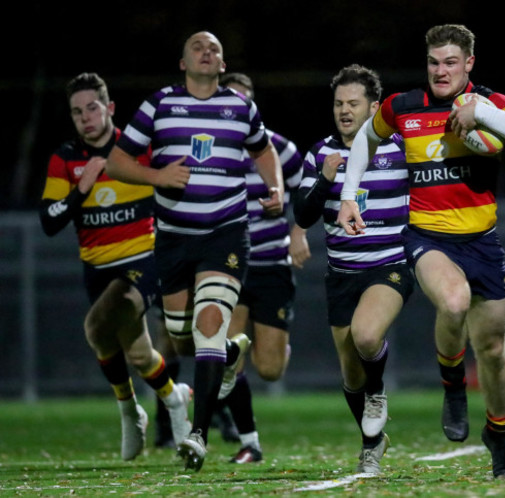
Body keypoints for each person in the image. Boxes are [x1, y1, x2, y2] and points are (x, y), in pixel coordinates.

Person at [337, 24, 505, 479]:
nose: (441, 70)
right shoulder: (403, 106)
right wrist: (349, 194)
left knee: (493, 349)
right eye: (434, 62)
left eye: (451, 62)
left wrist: (483, 116)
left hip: (482, 241)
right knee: (452, 301)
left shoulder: (491, 103)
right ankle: (453, 384)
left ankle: (499, 434)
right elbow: (364, 141)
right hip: (427, 237)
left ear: (468, 63)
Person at [105, 31, 284, 471]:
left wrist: (275, 186)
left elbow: (263, 152)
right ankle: (228, 355)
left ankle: (199, 435)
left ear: (222, 64)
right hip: (173, 239)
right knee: (183, 338)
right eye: (198, 48)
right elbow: (116, 161)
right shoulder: (159, 105)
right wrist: (157, 177)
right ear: (183, 62)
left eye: (215, 49)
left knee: (208, 326)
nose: (207, 52)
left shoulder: (240, 107)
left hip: (225, 234)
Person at [38, 72, 192, 461]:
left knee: (94, 325)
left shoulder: (135, 150)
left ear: (108, 108)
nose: (85, 117)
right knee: (139, 355)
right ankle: (173, 397)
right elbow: (49, 221)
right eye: (77, 112)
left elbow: (176, 183)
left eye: (92, 108)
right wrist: (81, 189)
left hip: (142, 261)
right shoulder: (66, 158)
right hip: (96, 269)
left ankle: (128, 413)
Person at [294, 64, 413, 475]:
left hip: (389, 266)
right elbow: (304, 215)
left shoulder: (400, 147)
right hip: (341, 273)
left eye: (353, 103)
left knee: (367, 336)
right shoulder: (318, 153)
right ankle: (372, 444)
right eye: (338, 103)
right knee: (349, 372)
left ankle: (378, 393)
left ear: (374, 107)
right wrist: (325, 180)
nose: (344, 110)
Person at [217, 72, 310, 464]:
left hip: (272, 264)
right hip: (228, 266)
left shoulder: (277, 148)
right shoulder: (211, 150)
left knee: (270, 369)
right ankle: (249, 441)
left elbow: (308, 192)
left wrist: (298, 231)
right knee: (228, 356)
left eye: (245, 101)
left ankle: (275, 344)